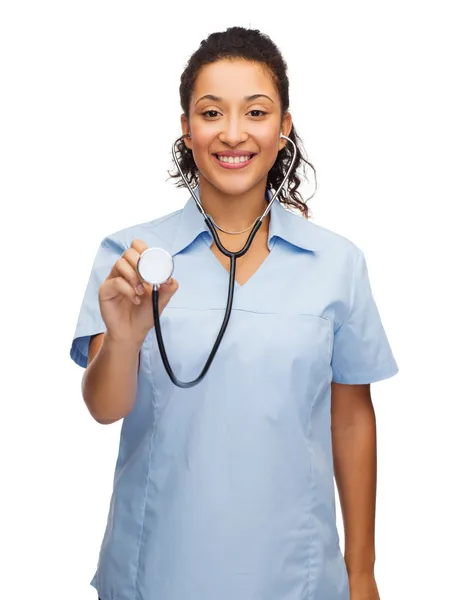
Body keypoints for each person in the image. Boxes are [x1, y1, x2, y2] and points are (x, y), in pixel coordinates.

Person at [70, 26, 398, 600]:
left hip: (294, 576)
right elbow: (105, 408)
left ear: (283, 129)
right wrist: (122, 340)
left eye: (256, 112)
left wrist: (362, 573)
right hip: (158, 571)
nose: (233, 133)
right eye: (211, 112)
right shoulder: (130, 258)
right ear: (187, 130)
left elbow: (351, 421)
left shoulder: (338, 264)